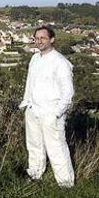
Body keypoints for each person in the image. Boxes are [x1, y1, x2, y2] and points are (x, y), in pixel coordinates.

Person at [19, 25, 75, 187]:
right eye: (37, 38)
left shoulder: (61, 62)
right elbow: (30, 83)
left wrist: (56, 114)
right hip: (33, 109)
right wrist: (27, 103)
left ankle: (65, 184)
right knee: (34, 144)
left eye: (43, 38)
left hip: (51, 112)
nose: (39, 41)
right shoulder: (35, 58)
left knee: (56, 148)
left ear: (52, 39)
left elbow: (68, 93)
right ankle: (35, 174)